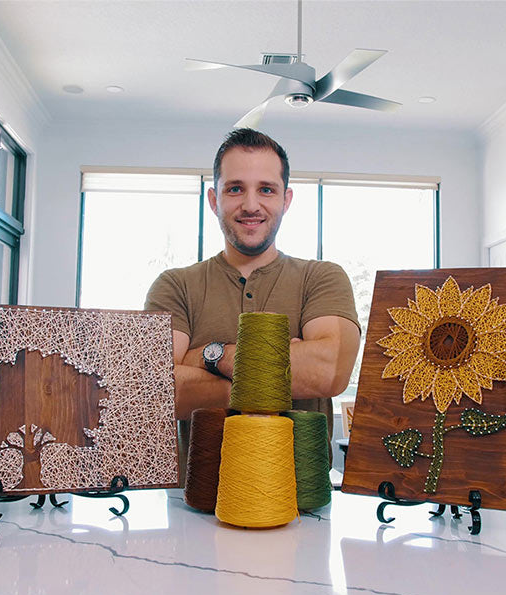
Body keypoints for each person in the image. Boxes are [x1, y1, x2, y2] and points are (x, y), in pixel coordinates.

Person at [145, 128, 361, 480]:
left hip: (302, 506)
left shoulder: (322, 278)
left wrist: (210, 356)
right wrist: (283, 371)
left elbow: (328, 372)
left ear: (286, 200)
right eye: (235, 189)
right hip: (196, 507)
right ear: (214, 200)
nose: (250, 205)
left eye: (266, 189)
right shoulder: (176, 285)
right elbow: (156, 389)